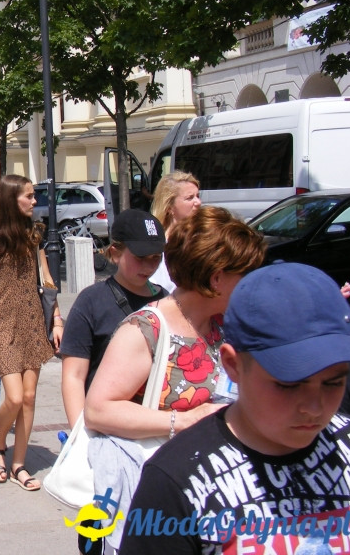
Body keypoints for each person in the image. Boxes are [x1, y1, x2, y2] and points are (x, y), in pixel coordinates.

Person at [120, 262, 350, 555]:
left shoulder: (347, 446)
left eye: (333, 383)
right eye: (289, 385)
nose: (314, 407)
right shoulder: (177, 480)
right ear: (232, 365)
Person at [83, 206, 266, 551]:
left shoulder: (221, 323)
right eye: (245, 275)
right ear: (217, 279)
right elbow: (98, 410)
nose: (251, 286)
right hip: (159, 508)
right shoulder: (147, 329)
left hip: (212, 499)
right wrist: (183, 421)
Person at [0, 174, 57, 492]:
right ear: (12, 199)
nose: (34, 201)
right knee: (15, 396)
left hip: (32, 320)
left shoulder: (35, 234)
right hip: (3, 323)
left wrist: (57, 319)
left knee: (30, 397)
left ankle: (19, 464)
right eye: (29, 196)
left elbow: (46, 278)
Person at [59, 210, 169, 429]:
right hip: (105, 428)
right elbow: (74, 375)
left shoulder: (166, 301)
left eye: (156, 258)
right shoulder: (91, 301)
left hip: (155, 425)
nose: (149, 266)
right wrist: (80, 435)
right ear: (115, 252)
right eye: (140, 258)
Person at [148, 171, 201, 293]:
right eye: (190, 198)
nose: (198, 202)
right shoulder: (157, 246)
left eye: (198, 196)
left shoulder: (203, 237)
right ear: (170, 207)